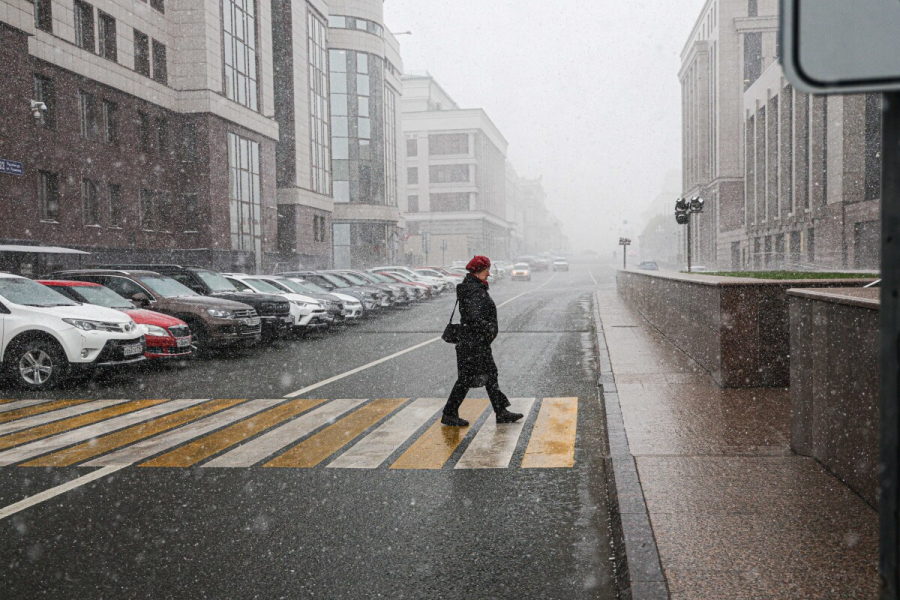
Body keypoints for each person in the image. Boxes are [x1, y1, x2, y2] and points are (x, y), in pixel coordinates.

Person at [441, 255, 524, 426]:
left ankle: (501, 412)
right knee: (466, 379)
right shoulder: (474, 290)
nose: (489, 273)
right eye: (487, 269)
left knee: (490, 375)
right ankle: (449, 413)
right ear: (479, 271)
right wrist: (489, 330)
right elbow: (474, 317)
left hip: (475, 342)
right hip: (473, 343)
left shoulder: (474, 287)